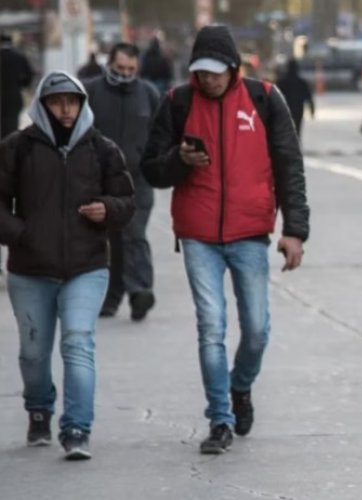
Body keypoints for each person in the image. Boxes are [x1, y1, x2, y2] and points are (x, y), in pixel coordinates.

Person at [141, 24, 309, 455]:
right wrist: (180, 161)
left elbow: (290, 166)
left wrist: (294, 230)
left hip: (251, 232)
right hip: (198, 236)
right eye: (201, 71)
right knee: (210, 326)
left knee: (255, 329)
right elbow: (151, 170)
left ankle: (240, 386)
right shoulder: (177, 102)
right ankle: (219, 419)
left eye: (216, 71)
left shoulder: (265, 99)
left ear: (233, 68)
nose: (208, 79)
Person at [0, 71, 134, 460]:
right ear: (41, 105)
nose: (65, 110)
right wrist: (20, 233)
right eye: (56, 102)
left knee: (78, 342)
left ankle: (77, 427)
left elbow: (126, 201)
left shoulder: (102, 149)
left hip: (86, 267)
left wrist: (107, 209)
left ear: (82, 105)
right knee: (33, 352)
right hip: (30, 269)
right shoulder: (17, 148)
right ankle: (39, 408)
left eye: (72, 102)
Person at [84, 42, 161, 320]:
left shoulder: (148, 94)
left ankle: (140, 290)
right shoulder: (91, 91)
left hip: (137, 179)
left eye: (131, 69)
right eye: (120, 68)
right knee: (110, 239)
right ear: (110, 64)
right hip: (100, 180)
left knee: (133, 233)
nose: (125, 74)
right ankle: (110, 298)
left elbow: (159, 134)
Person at [0, 33, 33, 139]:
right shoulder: (19, 56)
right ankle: (9, 148)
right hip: (14, 96)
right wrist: (22, 84)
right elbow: (29, 75)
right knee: (12, 124)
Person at [276, 59, 315, 138]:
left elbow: (275, 98)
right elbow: (308, 97)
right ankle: (296, 145)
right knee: (297, 129)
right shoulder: (302, 83)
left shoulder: (281, 82)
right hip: (298, 110)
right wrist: (312, 109)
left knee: (285, 130)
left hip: (285, 110)